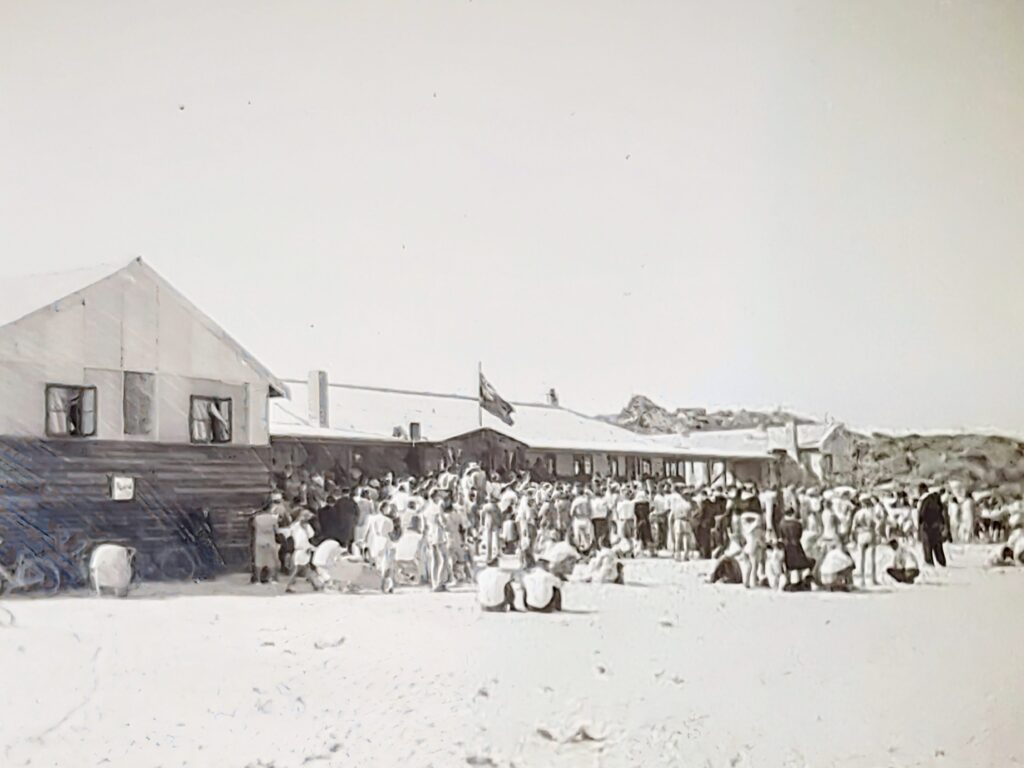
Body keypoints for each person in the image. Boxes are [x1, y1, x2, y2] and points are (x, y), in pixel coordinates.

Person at [364, 502, 397, 592]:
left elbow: (367, 531)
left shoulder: (371, 519)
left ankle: (380, 583)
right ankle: (386, 584)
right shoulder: (388, 521)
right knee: (386, 564)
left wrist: (365, 542)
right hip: (385, 541)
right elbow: (391, 533)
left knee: (377, 563)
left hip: (375, 542)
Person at [779, 507, 814, 589]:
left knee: (791, 566)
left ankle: (793, 582)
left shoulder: (782, 524)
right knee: (800, 564)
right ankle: (801, 581)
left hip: (787, 546)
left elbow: (781, 535)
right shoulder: (797, 524)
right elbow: (800, 535)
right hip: (796, 544)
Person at [422, 489, 450, 591]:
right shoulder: (437, 508)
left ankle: (434, 582)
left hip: (430, 532)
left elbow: (423, 524)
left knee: (434, 559)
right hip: (438, 532)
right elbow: (443, 521)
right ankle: (439, 581)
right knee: (444, 558)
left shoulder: (427, 509)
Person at [917, 483, 950, 567]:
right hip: (937, 526)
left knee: (927, 546)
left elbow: (922, 514)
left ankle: (929, 564)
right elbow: (941, 512)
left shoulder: (924, 500)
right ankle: (942, 562)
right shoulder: (936, 499)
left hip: (927, 526)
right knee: (938, 546)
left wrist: (920, 524)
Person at [851, 497, 879, 587]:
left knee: (861, 558)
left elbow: (853, 527)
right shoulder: (871, 513)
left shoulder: (858, 514)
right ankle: (872, 579)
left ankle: (862, 579)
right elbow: (877, 524)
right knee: (871, 558)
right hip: (870, 533)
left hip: (861, 535)